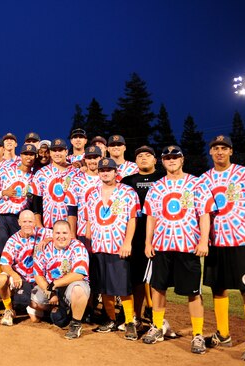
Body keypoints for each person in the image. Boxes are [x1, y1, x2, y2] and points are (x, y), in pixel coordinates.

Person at [199, 135, 245, 361]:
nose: (219, 152)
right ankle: (223, 334)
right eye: (215, 148)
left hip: (241, 243)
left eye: (223, 148)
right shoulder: (204, 179)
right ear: (210, 152)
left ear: (231, 151)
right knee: (218, 288)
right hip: (216, 243)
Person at [142, 145, 213, 354]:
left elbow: (204, 214)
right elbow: (151, 217)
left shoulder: (196, 183)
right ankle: (157, 326)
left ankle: (197, 334)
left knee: (193, 292)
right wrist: (148, 242)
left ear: (182, 160)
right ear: (162, 161)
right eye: (167, 157)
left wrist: (203, 241)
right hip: (162, 245)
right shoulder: (156, 187)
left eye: (175, 157)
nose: (171, 160)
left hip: (188, 246)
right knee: (158, 287)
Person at [86, 158, 139, 340]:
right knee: (104, 285)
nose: (105, 173)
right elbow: (89, 220)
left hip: (118, 247)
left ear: (116, 172)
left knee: (122, 286)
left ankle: (130, 321)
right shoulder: (92, 194)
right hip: (99, 245)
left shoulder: (127, 192)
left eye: (109, 169)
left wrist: (127, 242)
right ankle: (111, 319)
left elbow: (132, 219)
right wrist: (89, 241)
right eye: (102, 170)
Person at [120, 146, 165, 326]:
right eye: (140, 155)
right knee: (137, 279)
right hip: (136, 235)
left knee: (157, 281)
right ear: (135, 161)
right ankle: (136, 316)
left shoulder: (163, 179)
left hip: (160, 235)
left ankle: (158, 319)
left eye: (148, 155)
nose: (144, 158)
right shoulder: (127, 180)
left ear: (155, 160)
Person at [31, 220, 90, 339]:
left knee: (78, 289)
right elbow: (38, 274)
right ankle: (59, 308)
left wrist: (55, 284)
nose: (61, 236)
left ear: (70, 234)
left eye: (64, 233)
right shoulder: (43, 248)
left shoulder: (78, 246)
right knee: (35, 302)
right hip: (51, 287)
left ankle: (76, 324)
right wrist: (50, 292)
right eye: (57, 233)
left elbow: (79, 274)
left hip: (71, 286)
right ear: (52, 234)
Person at [0, 210, 52, 326]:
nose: (27, 224)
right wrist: (14, 274)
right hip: (20, 279)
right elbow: (4, 264)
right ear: (19, 223)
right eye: (24, 221)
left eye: (30, 221)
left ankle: (34, 304)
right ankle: (9, 310)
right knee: (1, 280)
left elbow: (60, 236)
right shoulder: (13, 240)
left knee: (35, 319)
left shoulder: (43, 233)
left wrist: (47, 240)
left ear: (35, 223)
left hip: (38, 280)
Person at [0, 144, 37, 261]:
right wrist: (4, 192)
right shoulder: (6, 171)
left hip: (19, 219)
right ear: (21, 155)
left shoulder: (34, 177)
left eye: (31, 154)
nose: (29, 157)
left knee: (18, 251)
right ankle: (0, 279)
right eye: (26, 154)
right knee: (0, 252)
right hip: (3, 216)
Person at [32, 138, 78, 233]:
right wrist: (40, 227)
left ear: (66, 152)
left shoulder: (76, 172)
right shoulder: (41, 173)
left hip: (71, 226)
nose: (57, 153)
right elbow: (36, 202)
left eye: (60, 150)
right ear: (50, 153)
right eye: (54, 150)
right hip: (48, 226)